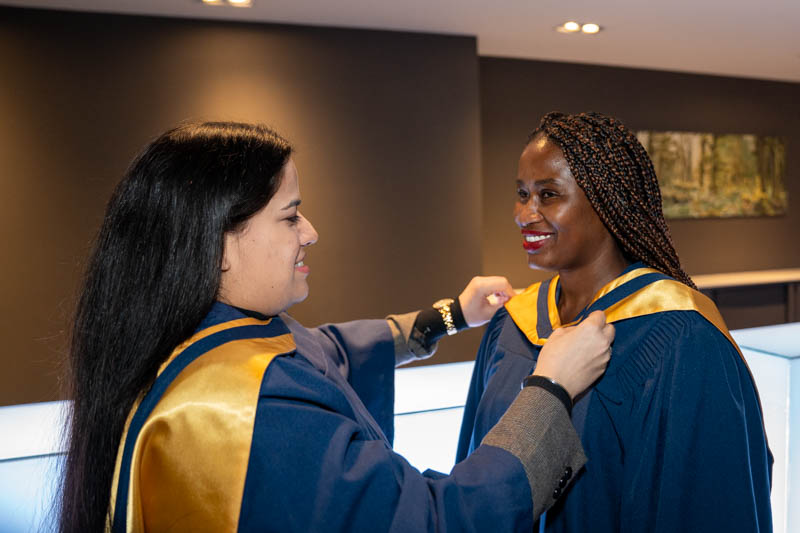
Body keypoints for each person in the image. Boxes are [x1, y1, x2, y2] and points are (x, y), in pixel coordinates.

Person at [59, 121, 616, 533]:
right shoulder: (246, 415)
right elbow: (437, 521)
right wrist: (550, 390)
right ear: (218, 245)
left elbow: (327, 351)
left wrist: (452, 315)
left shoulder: (209, 337)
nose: (311, 232)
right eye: (290, 215)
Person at [456, 112, 773, 532]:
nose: (523, 213)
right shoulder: (510, 325)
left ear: (608, 202)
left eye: (548, 194)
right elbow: (472, 477)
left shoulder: (682, 338)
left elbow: (712, 503)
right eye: (522, 193)